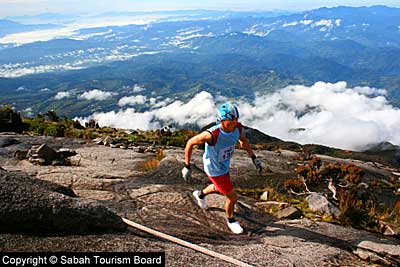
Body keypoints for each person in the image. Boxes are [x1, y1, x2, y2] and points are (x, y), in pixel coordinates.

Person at [182, 103, 263, 234]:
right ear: (222, 120)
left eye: (236, 119)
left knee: (219, 188)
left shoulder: (237, 128)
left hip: (224, 165)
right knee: (232, 198)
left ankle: (200, 194)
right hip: (214, 168)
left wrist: (254, 158)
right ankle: (231, 220)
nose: (235, 122)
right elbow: (190, 142)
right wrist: (187, 166)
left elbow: (243, 140)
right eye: (231, 120)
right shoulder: (212, 134)